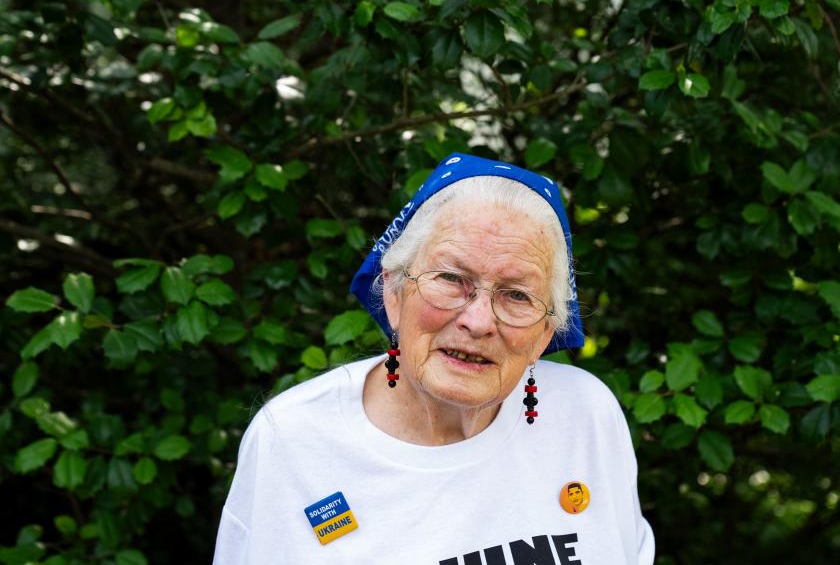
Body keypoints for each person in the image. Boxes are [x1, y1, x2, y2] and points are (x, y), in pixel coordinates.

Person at [213, 153, 655, 564]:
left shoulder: (586, 416)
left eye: (517, 295)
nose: (479, 321)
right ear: (393, 291)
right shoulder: (295, 439)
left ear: (544, 333)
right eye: (451, 278)